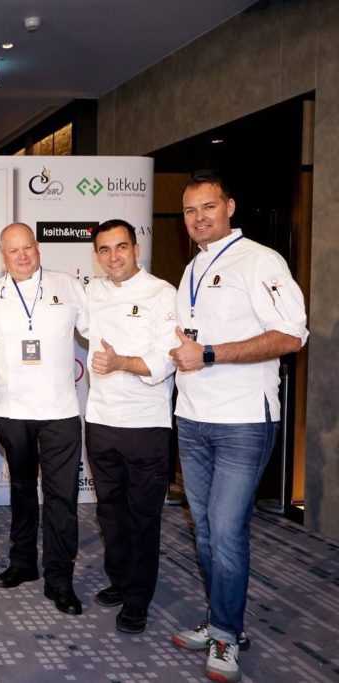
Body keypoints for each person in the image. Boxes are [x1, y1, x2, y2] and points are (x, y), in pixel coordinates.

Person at [167, 173, 306, 683]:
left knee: (226, 532)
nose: (198, 217)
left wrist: (208, 353)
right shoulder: (193, 267)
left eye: (208, 206)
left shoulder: (261, 261)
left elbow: (291, 335)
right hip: (193, 418)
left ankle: (226, 634)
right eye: (190, 211)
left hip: (243, 419)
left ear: (229, 206)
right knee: (204, 530)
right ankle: (222, 618)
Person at [0, 222, 88, 615]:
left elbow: (98, 329)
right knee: (21, 489)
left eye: (28, 248)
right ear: (3, 257)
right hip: (12, 410)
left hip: (60, 412)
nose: (22, 256)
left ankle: (60, 578)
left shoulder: (68, 285)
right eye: (13, 251)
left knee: (61, 496)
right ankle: (22, 563)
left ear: (38, 248)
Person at [85, 219, 177, 634]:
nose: (113, 256)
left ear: (136, 249)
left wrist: (122, 362)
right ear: (97, 256)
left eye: (121, 247)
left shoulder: (162, 293)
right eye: (105, 250)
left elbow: (167, 358)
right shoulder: (93, 292)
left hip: (146, 424)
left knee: (142, 516)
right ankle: (120, 581)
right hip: (101, 419)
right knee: (110, 512)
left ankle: (138, 599)